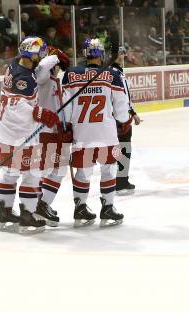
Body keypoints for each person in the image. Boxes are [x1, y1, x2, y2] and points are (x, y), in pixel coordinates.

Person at [62, 38, 132, 227]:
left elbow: (65, 110)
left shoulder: (70, 74)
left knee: (83, 173)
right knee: (109, 170)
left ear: (85, 53)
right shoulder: (112, 75)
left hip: (82, 135)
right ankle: (108, 207)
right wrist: (125, 121)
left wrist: (67, 126)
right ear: (101, 54)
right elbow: (120, 107)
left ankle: (80, 208)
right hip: (107, 135)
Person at [0, 37, 59, 235]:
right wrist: (39, 113)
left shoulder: (15, 64)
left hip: (6, 131)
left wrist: (53, 57)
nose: (41, 55)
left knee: (9, 172)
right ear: (30, 54)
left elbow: (37, 67)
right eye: (39, 52)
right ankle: (27, 215)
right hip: (20, 134)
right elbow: (16, 104)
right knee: (31, 174)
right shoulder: (24, 79)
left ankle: (5, 213)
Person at [34, 46, 71, 227]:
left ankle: (39, 205)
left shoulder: (53, 79)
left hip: (55, 130)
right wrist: (55, 55)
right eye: (57, 65)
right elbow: (41, 67)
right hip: (48, 131)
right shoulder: (43, 78)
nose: (58, 69)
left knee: (50, 171)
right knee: (57, 170)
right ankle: (42, 205)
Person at [112, 47, 142, 195]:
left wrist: (133, 112)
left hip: (122, 118)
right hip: (116, 120)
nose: (122, 56)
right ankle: (118, 181)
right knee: (119, 150)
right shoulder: (111, 73)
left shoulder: (119, 72)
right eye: (119, 54)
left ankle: (121, 180)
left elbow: (125, 98)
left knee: (124, 150)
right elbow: (116, 99)